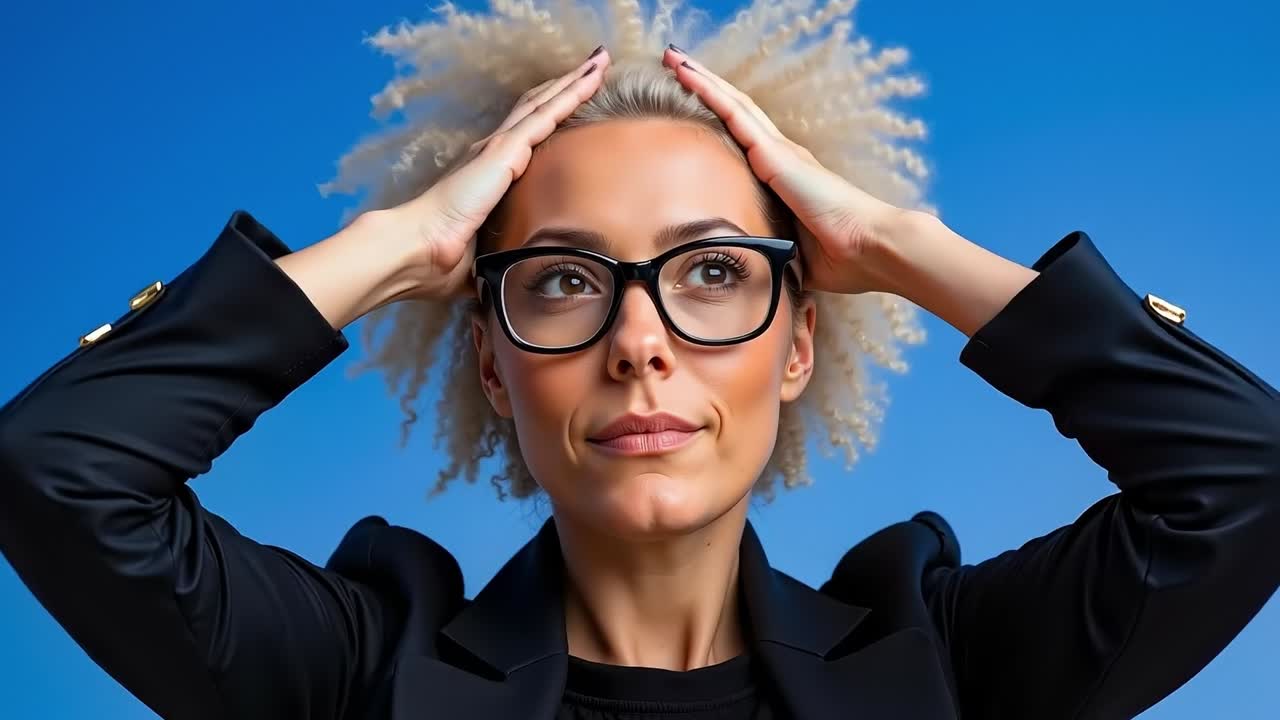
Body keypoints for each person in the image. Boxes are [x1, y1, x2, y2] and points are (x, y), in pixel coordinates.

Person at [1, 1, 1276, 719]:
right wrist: (394, 246)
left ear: (795, 346)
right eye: (560, 281)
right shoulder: (355, 672)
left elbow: (1243, 477)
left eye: (713, 272)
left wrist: (896, 242)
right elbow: (56, 469)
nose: (638, 343)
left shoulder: (948, 661)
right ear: (494, 371)